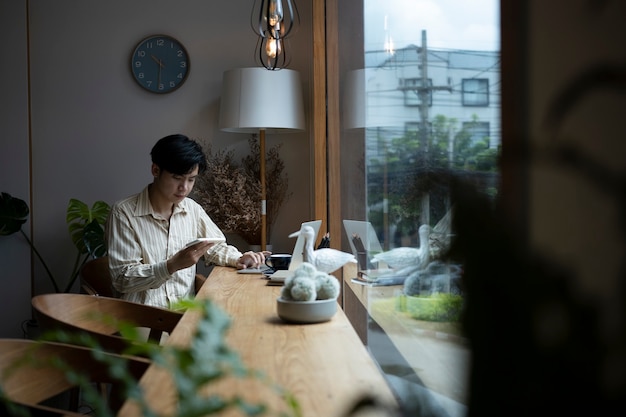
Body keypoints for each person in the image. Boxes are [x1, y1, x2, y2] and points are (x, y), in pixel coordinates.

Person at [106, 134, 269, 308]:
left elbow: (215, 246)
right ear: (155, 170)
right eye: (177, 178)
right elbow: (122, 278)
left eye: (191, 179)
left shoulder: (192, 209)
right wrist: (171, 266)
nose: (185, 187)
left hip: (184, 317)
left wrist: (239, 258)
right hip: (141, 319)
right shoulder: (123, 213)